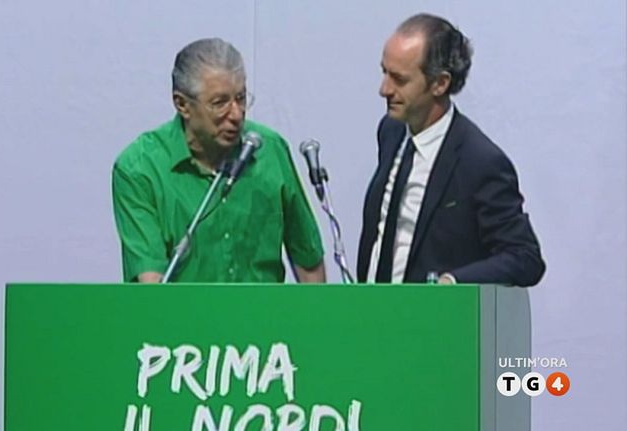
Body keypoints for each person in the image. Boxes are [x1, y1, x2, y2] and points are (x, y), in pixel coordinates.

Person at [113, 38, 325, 283]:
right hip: (184, 308)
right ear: (182, 104)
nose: (236, 114)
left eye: (241, 98)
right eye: (220, 103)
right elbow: (150, 279)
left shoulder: (269, 150)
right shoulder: (140, 168)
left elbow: (308, 259)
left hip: (263, 308)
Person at [357, 13, 545, 286]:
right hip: (371, 307)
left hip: (430, 311)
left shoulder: (480, 162)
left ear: (440, 83)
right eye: (384, 72)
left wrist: (451, 282)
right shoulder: (391, 131)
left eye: (399, 79)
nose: (384, 89)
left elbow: (524, 257)